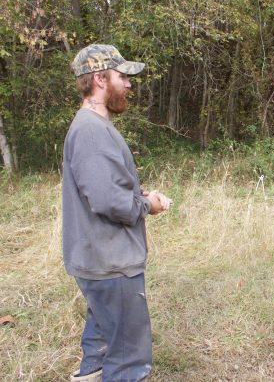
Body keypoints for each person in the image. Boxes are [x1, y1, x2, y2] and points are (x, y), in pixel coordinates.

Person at [62, 44, 172, 382]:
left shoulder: (91, 127)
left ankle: (91, 374)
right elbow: (108, 201)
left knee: (102, 344)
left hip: (102, 261)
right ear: (99, 79)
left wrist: (137, 192)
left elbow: (100, 186)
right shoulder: (91, 132)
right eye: (122, 77)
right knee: (128, 359)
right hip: (109, 264)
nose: (128, 84)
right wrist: (147, 205)